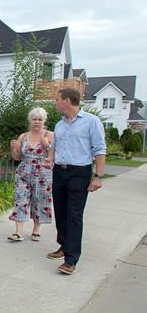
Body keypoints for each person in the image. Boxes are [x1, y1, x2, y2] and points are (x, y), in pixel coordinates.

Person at [44, 88, 106, 275]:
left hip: (80, 173)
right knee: (61, 212)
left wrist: (98, 176)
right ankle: (63, 245)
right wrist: (50, 158)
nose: (55, 102)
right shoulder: (60, 124)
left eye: (57, 99)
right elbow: (54, 146)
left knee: (74, 214)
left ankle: (71, 259)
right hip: (59, 171)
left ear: (68, 101)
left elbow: (100, 149)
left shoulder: (91, 121)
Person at [7, 107, 53, 242]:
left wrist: (47, 146)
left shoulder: (50, 135)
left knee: (39, 200)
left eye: (40, 119)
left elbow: (57, 155)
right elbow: (17, 157)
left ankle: (36, 230)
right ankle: (18, 231)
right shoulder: (23, 136)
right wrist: (14, 148)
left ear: (44, 121)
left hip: (43, 174)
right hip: (24, 171)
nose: (37, 122)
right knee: (20, 199)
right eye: (34, 119)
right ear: (30, 120)